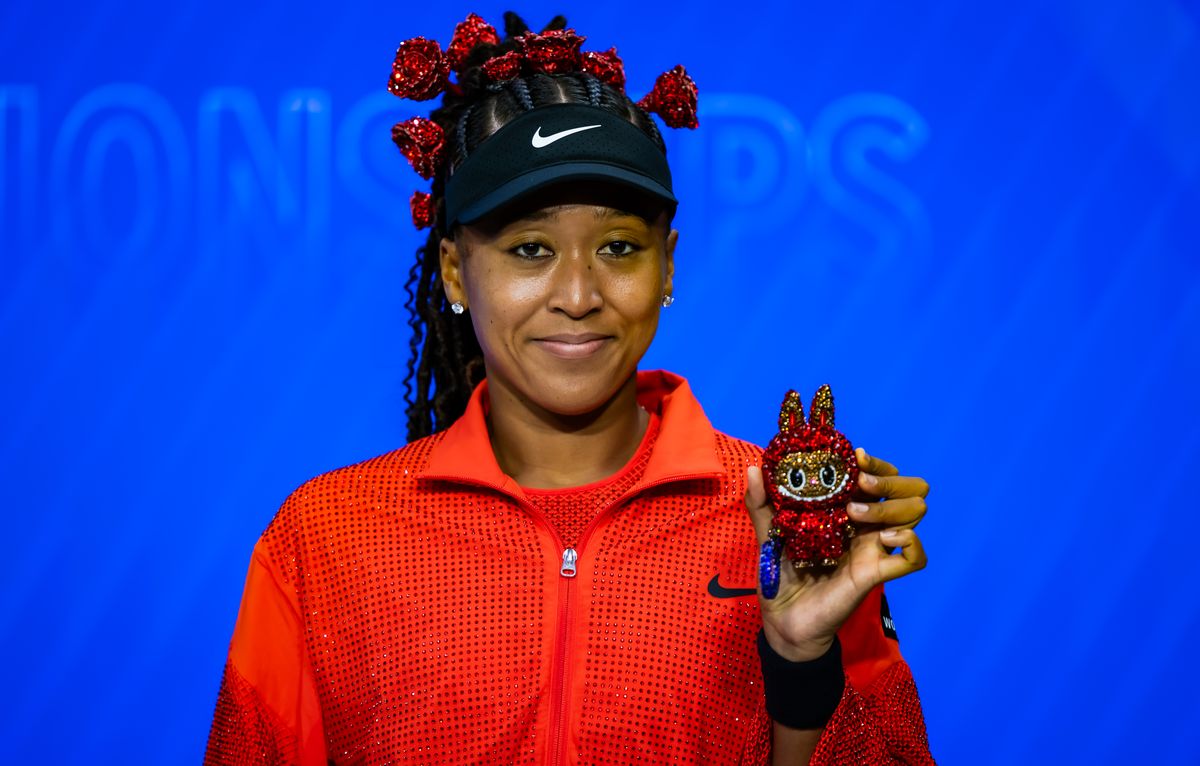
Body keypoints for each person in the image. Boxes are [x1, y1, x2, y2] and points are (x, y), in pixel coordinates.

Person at [205, 12, 934, 765]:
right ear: (455, 270)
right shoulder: (324, 538)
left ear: (669, 266)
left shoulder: (780, 531)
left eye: (619, 247)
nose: (579, 294)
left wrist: (801, 667)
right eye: (530, 249)